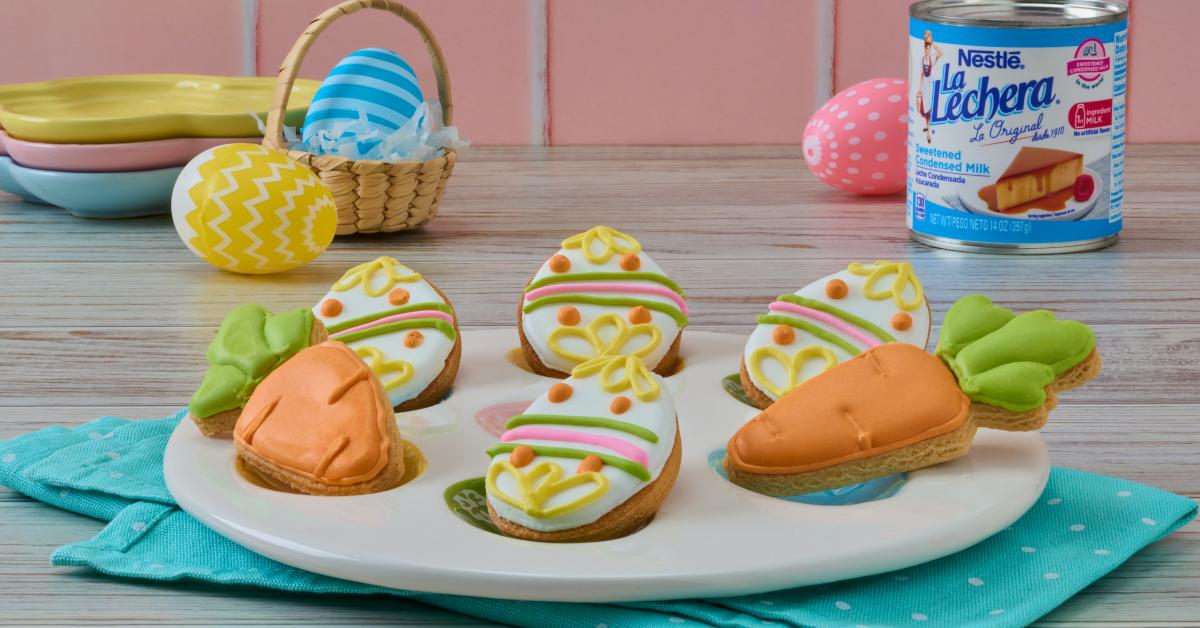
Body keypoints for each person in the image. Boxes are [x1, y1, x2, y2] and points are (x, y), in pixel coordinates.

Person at [915, 30, 943, 144]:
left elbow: (940, 53)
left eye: (928, 49)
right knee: (925, 107)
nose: (927, 51)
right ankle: (928, 128)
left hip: (931, 84)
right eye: (926, 49)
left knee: (930, 107)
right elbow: (922, 74)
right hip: (925, 85)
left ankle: (929, 132)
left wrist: (933, 44)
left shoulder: (932, 58)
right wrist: (919, 88)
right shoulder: (922, 60)